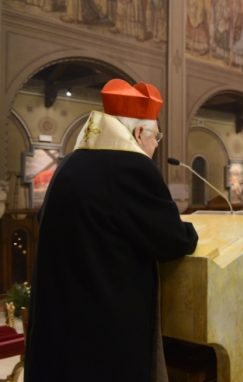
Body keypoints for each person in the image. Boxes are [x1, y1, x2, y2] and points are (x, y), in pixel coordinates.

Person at [25, 79, 199, 382]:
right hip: (101, 329)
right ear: (138, 133)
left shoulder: (69, 164)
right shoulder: (132, 168)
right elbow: (172, 240)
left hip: (59, 324)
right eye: (156, 136)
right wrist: (193, 232)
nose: (157, 144)